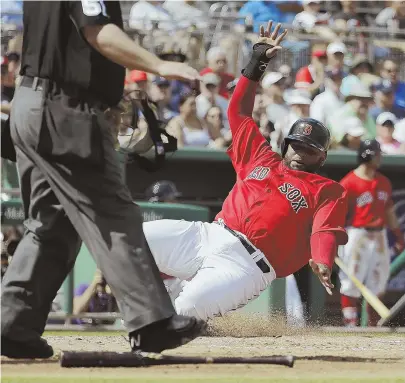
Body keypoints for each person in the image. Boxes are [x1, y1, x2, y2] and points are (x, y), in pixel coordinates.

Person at [1, 1, 206, 359]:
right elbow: (98, 32)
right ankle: (151, 323)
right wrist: (158, 64)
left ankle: (12, 324)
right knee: (112, 212)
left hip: (32, 101)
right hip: (64, 110)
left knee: (51, 224)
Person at [142, 22, 349, 321]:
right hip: (208, 235)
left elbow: (325, 230)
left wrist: (322, 258)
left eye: (310, 149)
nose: (300, 152)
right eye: (296, 145)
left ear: (322, 157)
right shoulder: (260, 156)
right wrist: (257, 63)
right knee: (132, 240)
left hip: (247, 266)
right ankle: (163, 294)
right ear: (286, 143)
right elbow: (237, 112)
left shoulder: (327, 190)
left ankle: (179, 314)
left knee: (186, 311)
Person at [338, 139, 405, 327]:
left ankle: (373, 324)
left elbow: (389, 211)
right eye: (377, 154)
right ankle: (350, 322)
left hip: (379, 234)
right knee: (351, 278)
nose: (379, 158)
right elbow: (339, 212)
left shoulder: (383, 181)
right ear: (366, 155)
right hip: (357, 234)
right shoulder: (349, 182)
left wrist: (398, 236)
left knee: (379, 280)